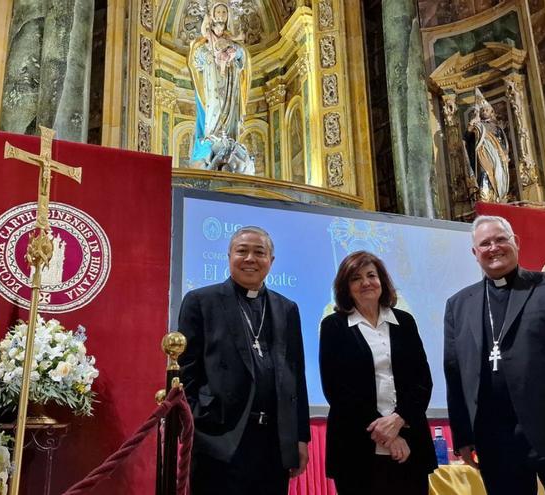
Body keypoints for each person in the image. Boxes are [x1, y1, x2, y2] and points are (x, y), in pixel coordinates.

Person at [444, 215, 545, 495]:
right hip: (495, 439)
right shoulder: (459, 305)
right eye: (485, 243)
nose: (494, 247)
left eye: (501, 239)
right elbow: (455, 372)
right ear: (475, 253)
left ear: (515, 242)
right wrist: (463, 436)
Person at [177, 226, 309, 494]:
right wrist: (197, 422)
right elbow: (186, 371)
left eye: (259, 252)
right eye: (242, 251)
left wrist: (300, 437)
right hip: (219, 439)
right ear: (229, 256)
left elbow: (296, 377)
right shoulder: (201, 301)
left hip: (272, 443)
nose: (250, 258)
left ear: (271, 261)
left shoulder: (287, 309)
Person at [319, 251, 437, 494]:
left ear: (382, 281)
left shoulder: (405, 322)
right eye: (356, 278)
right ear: (345, 287)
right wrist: (388, 436)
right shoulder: (334, 326)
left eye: (371, 275)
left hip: (410, 442)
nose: (365, 283)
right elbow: (336, 389)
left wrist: (399, 419)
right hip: (356, 445)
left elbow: (422, 381)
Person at [187, 2, 255, 174]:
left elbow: (244, 58)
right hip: (212, 82)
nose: (221, 14)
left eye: (224, 11)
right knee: (215, 105)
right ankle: (214, 135)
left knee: (230, 108)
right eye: (217, 11)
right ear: (211, 14)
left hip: (231, 82)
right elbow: (195, 58)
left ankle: (230, 137)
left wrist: (234, 52)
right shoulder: (205, 40)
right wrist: (211, 53)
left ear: (228, 15)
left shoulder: (232, 40)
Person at [463, 88, 511, 203]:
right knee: (484, 173)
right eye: (482, 110)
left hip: (497, 155)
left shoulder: (497, 127)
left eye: (487, 110)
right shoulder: (477, 126)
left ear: (492, 112)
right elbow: (467, 137)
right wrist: (473, 121)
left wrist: (504, 153)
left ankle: (498, 196)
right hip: (482, 153)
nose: (484, 111)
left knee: (498, 173)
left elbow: (501, 141)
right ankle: (485, 196)